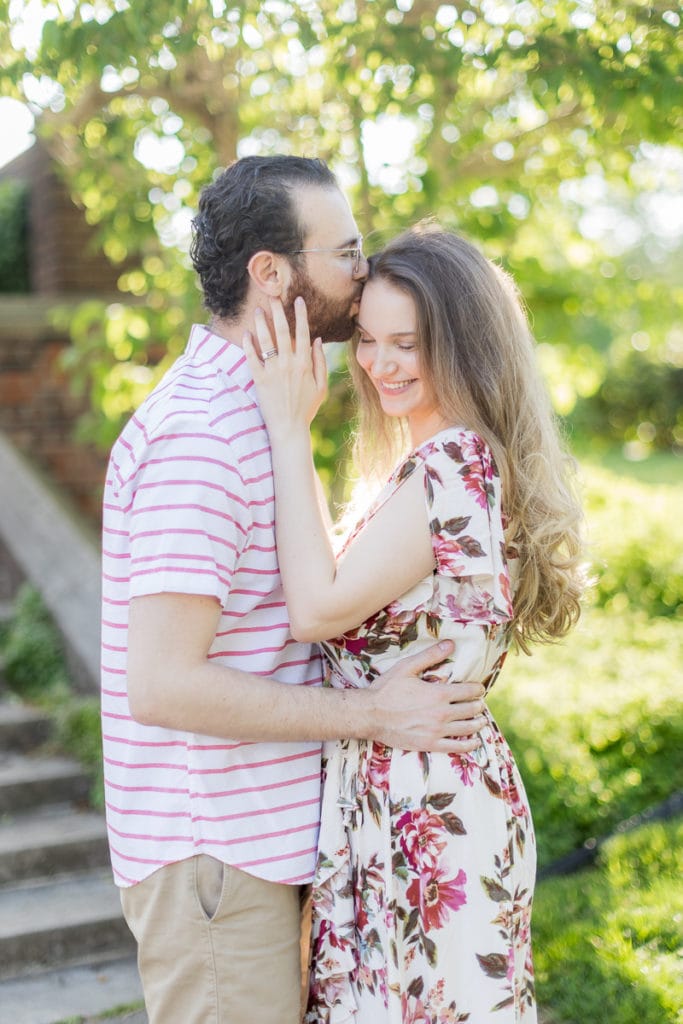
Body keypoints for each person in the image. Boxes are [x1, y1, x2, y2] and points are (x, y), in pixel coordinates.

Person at [100, 158, 488, 1024]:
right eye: (344, 252)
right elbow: (162, 683)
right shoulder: (201, 436)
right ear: (271, 274)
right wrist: (372, 716)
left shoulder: (267, 412)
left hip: (264, 849)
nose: (364, 270)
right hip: (215, 860)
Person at [244, 225, 585, 1023]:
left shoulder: (452, 463)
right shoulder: (436, 461)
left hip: (423, 803)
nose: (378, 364)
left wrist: (288, 427)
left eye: (407, 343)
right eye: (366, 340)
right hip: (407, 787)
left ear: (463, 348)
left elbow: (316, 609)